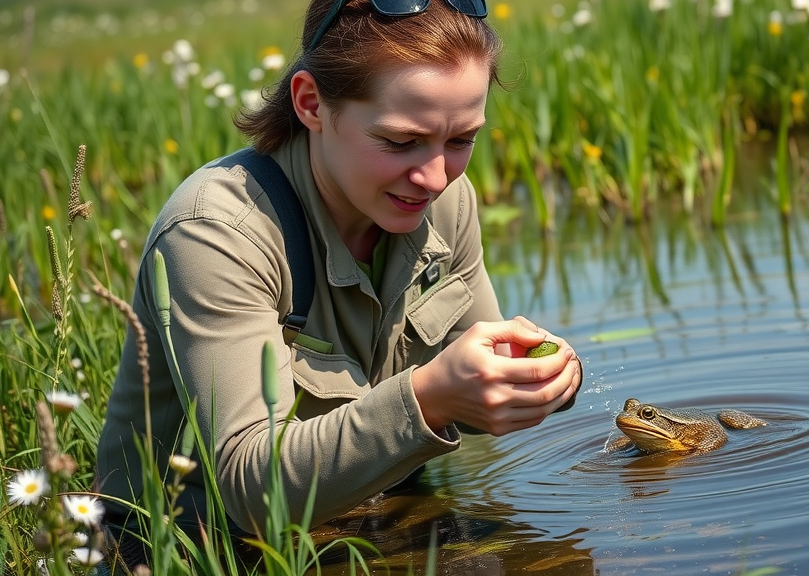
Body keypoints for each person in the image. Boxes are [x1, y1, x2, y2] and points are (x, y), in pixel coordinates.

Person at [95, 0, 581, 569]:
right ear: (311, 103)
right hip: (198, 547)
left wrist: (529, 381)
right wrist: (430, 397)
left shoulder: (445, 202)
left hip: (366, 517)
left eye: (461, 140)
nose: (434, 176)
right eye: (401, 142)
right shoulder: (215, 233)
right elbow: (256, 490)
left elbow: (473, 391)